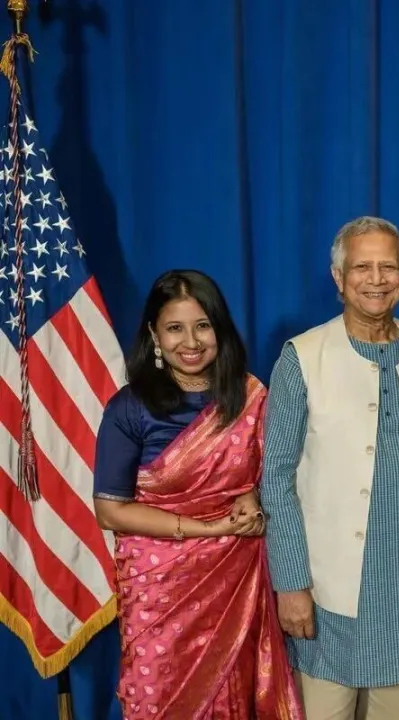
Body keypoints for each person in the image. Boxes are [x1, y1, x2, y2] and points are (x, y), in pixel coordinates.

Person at [261, 216, 399, 720]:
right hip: (327, 586)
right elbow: (276, 479)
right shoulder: (303, 357)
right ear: (338, 277)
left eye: (388, 267)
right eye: (362, 268)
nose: (377, 279)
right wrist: (290, 582)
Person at [92, 269, 303, 720]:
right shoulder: (130, 408)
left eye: (202, 325)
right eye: (175, 328)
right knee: (158, 698)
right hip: (159, 589)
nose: (190, 341)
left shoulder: (251, 397)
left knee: (234, 692)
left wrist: (253, 495)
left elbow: (277, 473)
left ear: (220, 329)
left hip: (236, 581)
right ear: (154, 335)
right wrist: (207, 529)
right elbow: (110, 511)